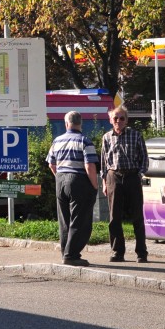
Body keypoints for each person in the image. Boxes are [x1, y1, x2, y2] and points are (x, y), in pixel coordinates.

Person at [46, 110, 100, 266]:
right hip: (78, 181)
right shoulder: (84, 141)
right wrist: (94, 185)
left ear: (66, 124)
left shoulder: (57, 141)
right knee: (79, 219)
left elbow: (51, 164)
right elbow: (89, 165)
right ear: (80, 123)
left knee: (64, 219)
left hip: (61, 180)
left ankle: (65, 252)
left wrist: (59, 176)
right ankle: (72, 255)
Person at [100, 105, 149, 263]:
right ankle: (117, 252)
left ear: (127, 120)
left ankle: (141, 252)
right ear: (110, 120)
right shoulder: (106, 137)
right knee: (114, 218)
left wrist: (139, 174)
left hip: (132, 177)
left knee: (137, 217)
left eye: (122, 118)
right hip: (114, 177)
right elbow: (103, 162)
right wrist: (104, 182)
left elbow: (144, 159)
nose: (118, 121)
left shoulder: (136, 135)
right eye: (115, 118)